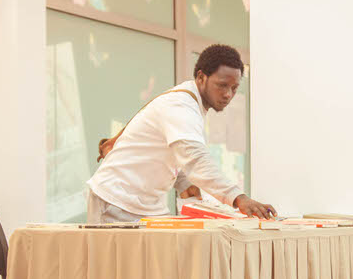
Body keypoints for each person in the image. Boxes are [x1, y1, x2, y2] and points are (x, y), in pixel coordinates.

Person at [87, 44, 276, 223]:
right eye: (222, 85)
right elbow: (194, 158)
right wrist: (238, 198)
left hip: (147, 205)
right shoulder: (181, 105)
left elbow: (175, 154)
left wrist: (185, 184)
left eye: (234, 88)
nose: (228, 94)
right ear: (201, 77)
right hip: (117, 199)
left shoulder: (191, 105)